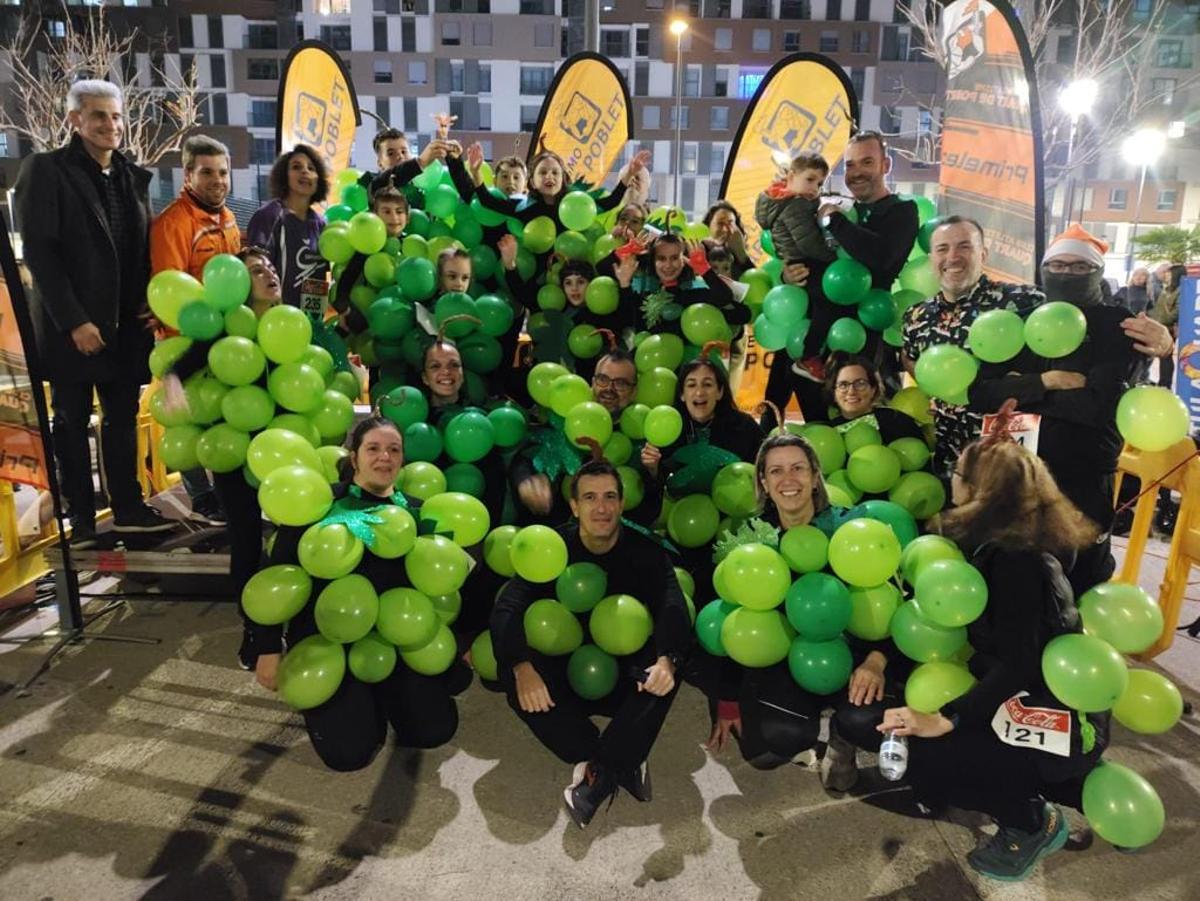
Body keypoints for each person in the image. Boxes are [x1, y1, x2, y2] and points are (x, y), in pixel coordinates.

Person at [878, 426, 1107, 883]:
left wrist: (948, 716)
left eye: (957, 472)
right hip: (1034, 705)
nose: (951, 479)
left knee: (927, 757)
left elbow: (1019, 665)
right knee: (928, 763)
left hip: (1057, 722)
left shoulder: (1017, 563)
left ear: (980, 491)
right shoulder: (1009, 544)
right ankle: (1044, 786)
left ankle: (1032, 821)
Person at [15, 79, 174, 548]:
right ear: (75, 120)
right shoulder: (46, 171)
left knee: (122, 417)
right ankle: (81, 522)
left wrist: (150, 302)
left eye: (116, 116)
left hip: (126, 326)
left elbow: (140, 250)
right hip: (74, 328)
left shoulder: (131, 176)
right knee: (70, 418)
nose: (111, 125)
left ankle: (127, 509)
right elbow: (41, 253)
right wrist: (74, 321)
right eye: (99, 115)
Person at [490, 458, 691, 828]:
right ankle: (618, 757)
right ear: (574, 506)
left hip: (621, 675)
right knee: (511, 667)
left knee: (671, 660)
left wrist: (667, 661)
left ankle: (599, 773)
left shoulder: (645, 550)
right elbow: (508, 606)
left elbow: (672, 602)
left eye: (610, 496)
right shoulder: (553, 547)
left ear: (621, 502)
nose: (601, 507)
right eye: (590, 497)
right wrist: (522, 668)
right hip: (566, 673)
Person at [695, 433, 901, 791]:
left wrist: (876, 661)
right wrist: (727, 700)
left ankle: (842, 735)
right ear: (763, 482)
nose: (787, 480)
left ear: (814, 474)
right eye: (776, 471)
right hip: (785, 654)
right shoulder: (751, 541)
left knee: (868, 722)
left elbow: (894, 605)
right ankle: (807, 721)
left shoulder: (851, 530)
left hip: (852, 656)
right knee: (770, 746)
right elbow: (731, 619)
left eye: (798, 468)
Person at [261, 416, 462, 771]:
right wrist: (265, 647)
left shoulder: (415, 511)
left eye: (393, 450)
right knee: (349, 755)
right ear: (354, 458)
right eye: (373, 448)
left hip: (393, 639)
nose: (384, 457)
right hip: (329, 639)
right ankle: (358, 701)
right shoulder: (320, 505)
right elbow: (277, 577)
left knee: (435, 731)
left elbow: (441, 577)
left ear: (402, 459)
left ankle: (384, 692)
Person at [967, 226, 1146, 596]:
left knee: (1079, 579)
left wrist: (1019, 387)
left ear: (1098, 271)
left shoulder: (1118, 326)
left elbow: (1097, 407)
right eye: (1057, 266)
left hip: (1083, 473)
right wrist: (1047, 381)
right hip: (1017, 471)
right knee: (1014, 579)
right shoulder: (1018, 321)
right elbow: (981, 394)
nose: (1066, 274)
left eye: (1080, 267)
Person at [157, 246, 283, 669]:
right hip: (233, 449)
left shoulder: (292, 324)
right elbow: (182, 364)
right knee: (247, 542)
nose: (267, 273)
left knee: (295, 539)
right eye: (254, 271)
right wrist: (172, 380)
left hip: (286, 450)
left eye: (268, 267)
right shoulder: (227, 331)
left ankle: (294, 624)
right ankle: (254, 631)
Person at [764, 132, 919, 429]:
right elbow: (801, 246)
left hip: (858, 346)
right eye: (849, 165)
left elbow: (880, 257)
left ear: (885, 165)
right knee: (811, 429)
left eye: (867, 162)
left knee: (854, 433)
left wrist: (834, 220)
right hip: (807, 339)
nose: (856, 172)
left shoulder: (901, 211)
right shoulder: (835, 206)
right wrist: (789, 272)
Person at [901, 216, 1045, 479]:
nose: (953, 257)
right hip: (946, 461)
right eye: (942, 249)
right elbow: (910, 360)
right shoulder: (916, 317)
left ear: (983, 254)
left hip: (1006, 462)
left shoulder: (1025, 302)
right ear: (931, 258)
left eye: (964, 246)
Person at [150, 134, 241, 528]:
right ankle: (201, 496)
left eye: (223, 172)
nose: (217, 180)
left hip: (223, 342)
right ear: (188, 175)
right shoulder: (174, 222)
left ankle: (221, 494)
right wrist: (182, 359)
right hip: (185, 344)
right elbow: (168, 291)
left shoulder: (228, 217)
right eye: (207, 173)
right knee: (188, 424)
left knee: (218, 419)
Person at [509, 349, 641, 525]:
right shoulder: (565, 420)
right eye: (603, 380)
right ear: (593, 383)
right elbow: (524, 459)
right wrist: (526, 482)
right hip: (553, 533)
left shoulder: (640, 437)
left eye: (621, 383)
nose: (609, 389)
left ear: (634, 391)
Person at [639, 355, 765, 523]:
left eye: (707, 384)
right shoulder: (667, 426)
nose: (699, 392)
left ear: (720, 392)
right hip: (684, 519)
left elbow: (763, 473)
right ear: (682, 394)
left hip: (732, 519)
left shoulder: (744, 427)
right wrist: (652, 468)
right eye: (691, 385)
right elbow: (655, 487)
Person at [246, 144, 329, 317]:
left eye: (311, 168)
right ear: (284, 176)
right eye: (296, 167)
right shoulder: (269, 217)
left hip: (309, 324)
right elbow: (256, 274)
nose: (305, 172)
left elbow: (320, 279)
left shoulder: (321, 224)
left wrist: (316, 322)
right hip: (276, 323)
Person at [822, 353, 927, 443]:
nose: (851, 391)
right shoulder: (826, 435)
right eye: (843, 385)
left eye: (860, 383)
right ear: (833, 392)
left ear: (873, 389)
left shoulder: (898, 422)